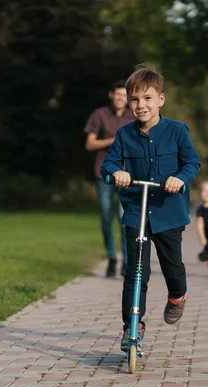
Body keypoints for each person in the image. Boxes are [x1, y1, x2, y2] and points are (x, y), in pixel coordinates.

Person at [100, 63, 201, 353]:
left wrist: (179, 179)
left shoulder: (178, 131)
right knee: (135, 272)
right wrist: (114, 174)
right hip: (136, 210)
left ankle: (177, 296)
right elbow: (108, 165)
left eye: (147, 98)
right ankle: (133, 326)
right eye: (134, 99)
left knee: (173, 268)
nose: (140, 105)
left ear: (160, 99)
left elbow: (192, 163)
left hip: (168, 212)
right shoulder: (124, 135)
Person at [84, 80, 135, 278]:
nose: (121, 98)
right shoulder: (100, 115)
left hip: (128, 175)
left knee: (125, 218)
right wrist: (111, 141)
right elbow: (89, 144)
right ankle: (112, 255)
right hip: (103, 173)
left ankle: (127, 261)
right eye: (118, 94)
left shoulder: (134, 116)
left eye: (125, 95)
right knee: (106, 216)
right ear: (111, 95)